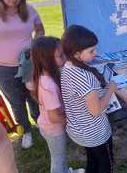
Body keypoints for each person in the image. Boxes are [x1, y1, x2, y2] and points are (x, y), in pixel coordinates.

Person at [0, 0, 45, 148]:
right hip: (3, 69)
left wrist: (34, 47)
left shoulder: (29, 10)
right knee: (16, 102)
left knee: (34, 96)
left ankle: (40, 123)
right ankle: (26, 131)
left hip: (28, 64)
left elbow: (40, 29)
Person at [61, 25, 116, 173]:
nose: (95, 53)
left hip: (80, 130)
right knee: (106, 165)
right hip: (95, 133)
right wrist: (110, 90)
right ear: (77, 54)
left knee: (93, 160)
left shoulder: (67, 67)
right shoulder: (86, 78)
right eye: (91, 51)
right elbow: (96, 110)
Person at [31, 36, 84, 173]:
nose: (65, 58)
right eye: (60, 56)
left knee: (61, 156)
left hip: (49, 126)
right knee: (58, 160)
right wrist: (73, 121)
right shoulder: (48, 85)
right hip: (54, 129)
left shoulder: (45, 74)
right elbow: (54, 117)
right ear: (46, 60)